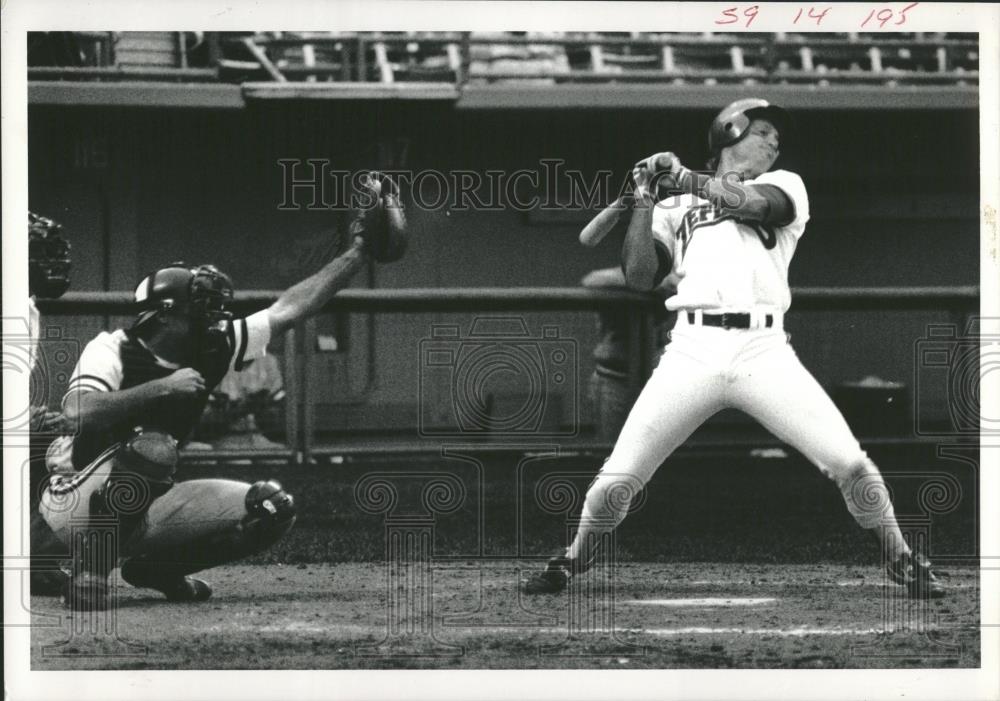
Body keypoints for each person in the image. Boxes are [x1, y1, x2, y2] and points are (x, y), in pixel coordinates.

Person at [523, 99, 945, 600]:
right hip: (691, 349)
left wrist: (679, 178)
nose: (773, 142)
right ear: (729, 132)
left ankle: (899, 554)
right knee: (616, 480)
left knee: (851, 464)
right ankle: (575, 557)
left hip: (763, 350)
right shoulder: (673, 207)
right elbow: (639, 275)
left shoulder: (787, 184)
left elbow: (752, 205)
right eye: (762, 132)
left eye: (776, 138)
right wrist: (642, 196)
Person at [38, 173, 407, 610]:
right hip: (74, 502)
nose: (212, 319)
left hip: (149, 500)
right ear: (164, 318)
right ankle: (90, 573)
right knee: (154, 447)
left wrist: (358, 253)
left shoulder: (212, 347)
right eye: (200, 310)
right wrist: (162, 388)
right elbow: (80, 411)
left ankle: (158, 569)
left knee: (270, 507)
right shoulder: (112, 348)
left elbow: (289, 309)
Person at [27, 211, 74, 596]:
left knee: (53, 443)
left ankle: (32, 560)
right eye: (39, 252)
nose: (52, 263)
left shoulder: (27, 307)